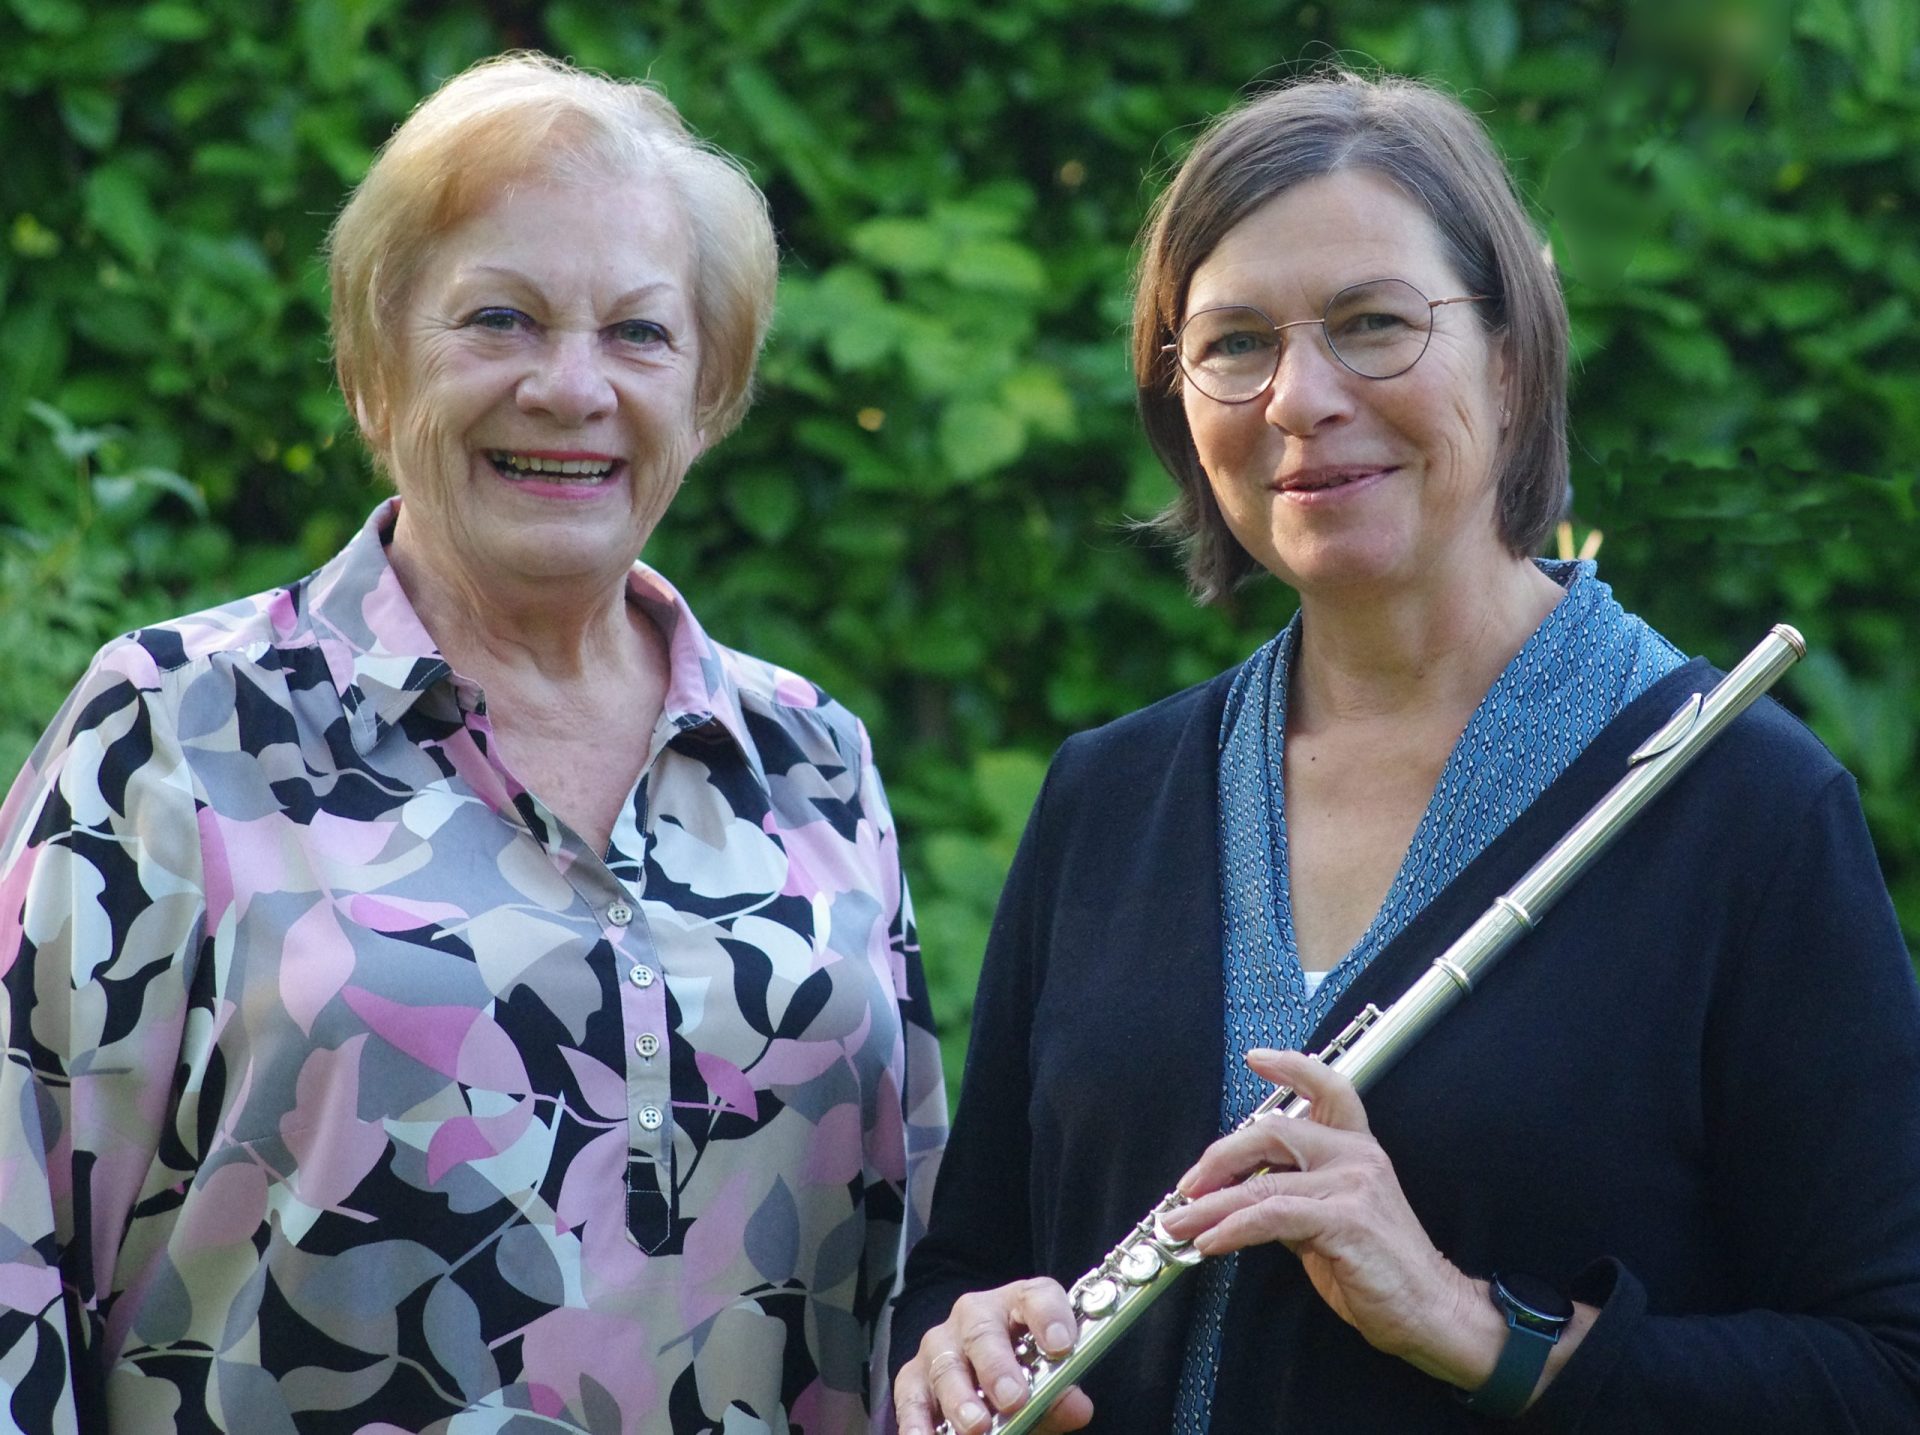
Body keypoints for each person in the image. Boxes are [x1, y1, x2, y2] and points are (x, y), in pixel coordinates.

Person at [890, 69, 1920, 1434]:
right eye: (1235, 344)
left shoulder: (1740, 804)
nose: (1300, 398)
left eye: (1373, 324)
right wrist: (957, 1343)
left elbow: (1886, 1371)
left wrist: (1476, 1327)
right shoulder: (1107, 800)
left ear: (1508, 352)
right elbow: (969, 1265)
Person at [0, 53, 945, 1435]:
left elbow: (913, 1264)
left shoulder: (807, 759)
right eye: (499, 321)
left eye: (639, 335)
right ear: (380, 367)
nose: (570, 389)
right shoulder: (175, 727)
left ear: (708, 393)